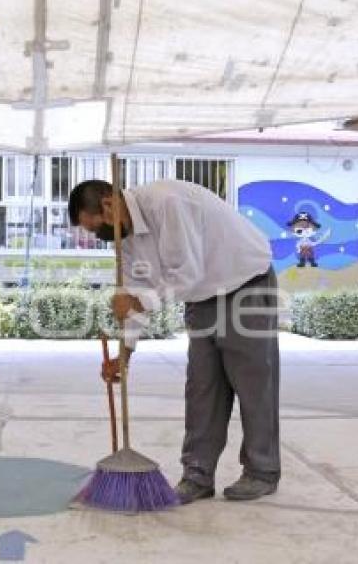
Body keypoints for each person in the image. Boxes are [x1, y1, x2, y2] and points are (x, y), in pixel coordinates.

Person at [68, 178, 281, 504]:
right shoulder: (123, 240)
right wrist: (124, 356)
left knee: (253, 383)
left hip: (245, 282)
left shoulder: (166, 203)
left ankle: (261, 472)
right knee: (202, 387)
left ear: (110, 204)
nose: (99, 237)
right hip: (200, 296)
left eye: (96, 228)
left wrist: (139, 302)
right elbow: (137, 293)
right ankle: (197, 475)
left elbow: (187, 272)